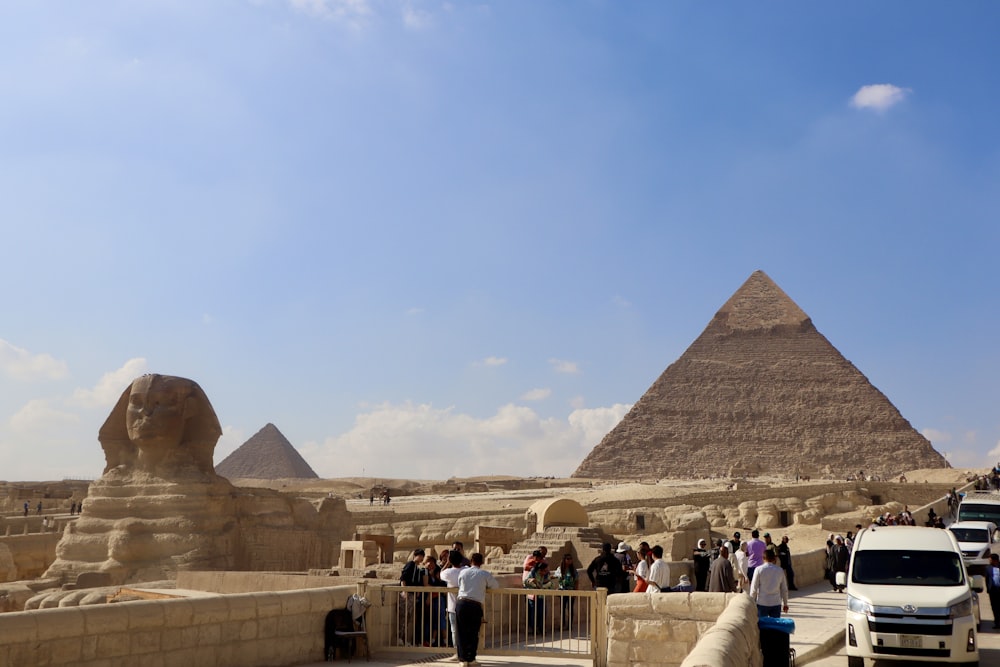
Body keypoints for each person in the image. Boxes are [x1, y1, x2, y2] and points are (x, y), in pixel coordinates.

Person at [456, 552, 499, 667]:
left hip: (461, 603)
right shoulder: (484, 574)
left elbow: (459, 583)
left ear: (471, 561)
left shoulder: (463, 572)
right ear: (482, 562)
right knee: (473, 633)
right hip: (475, 605)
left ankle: (462, 659)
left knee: (461, 632)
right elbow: (495, 586)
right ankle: (471, 658)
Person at [440, 550, 467, 655]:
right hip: (465, 604)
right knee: (464, 630)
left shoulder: (448, 572)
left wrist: (447, 564)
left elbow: (441, 574)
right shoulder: (465, 570)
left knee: (454, 631)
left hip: (453, 606)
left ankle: (457, 652)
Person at [749, 548, 789, 617]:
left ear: (763, 558)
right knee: (775, 626)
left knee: (762, 626)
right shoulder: (780, 570)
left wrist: (751, 603)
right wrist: (785, 604)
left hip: (762, 603)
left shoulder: (758, 570)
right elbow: (784, 589)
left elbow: (754, 589)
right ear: (774, 558)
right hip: (776, 603)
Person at [399, 549, 427, 645]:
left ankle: (403, 639)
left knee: (408, 617)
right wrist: (404, 591)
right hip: (408, 594)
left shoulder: (417, 568)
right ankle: (400, 638)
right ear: (416, 555)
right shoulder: (410, 565)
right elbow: (403, 577)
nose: (422, 558)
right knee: (403, 616)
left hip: (413, 595)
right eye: (420, 556)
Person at [524, 561, 557, 634]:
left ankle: (541, 628)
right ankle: (533, 629)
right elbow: (525, 582)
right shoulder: (532, 573)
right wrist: (531, 581)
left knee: (542, 613)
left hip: (541, 596)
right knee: (533, 613)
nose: (545, 572)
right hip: (533, 596)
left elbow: (550, 585)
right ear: (539, 570)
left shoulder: (546, 576)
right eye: (544, 570)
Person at [553, 553, 579, 629]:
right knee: (562, 608)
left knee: (570, 609)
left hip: (571, 591)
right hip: (562, 591)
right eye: (568, 559)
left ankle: (570, 625)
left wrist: (576, 592)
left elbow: (576, 581)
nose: (569, 560)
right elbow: (555, 576)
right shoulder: (560, 569)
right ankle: (562, 624)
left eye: (570, 559)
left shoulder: (573, 570)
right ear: (564, 560)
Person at [987, 554, 1000, 629]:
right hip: (993, 591)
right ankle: (997, 623)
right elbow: (987, 580)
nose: (989, 561)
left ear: (995, 560)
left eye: (990, 559)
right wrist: (988, 589)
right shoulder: (988, 568)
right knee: (995, 607)